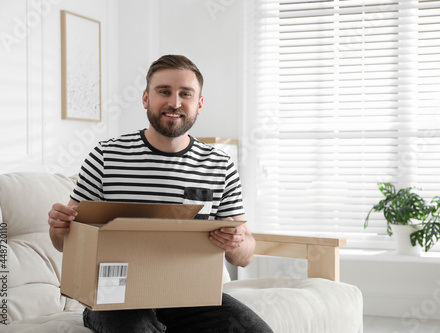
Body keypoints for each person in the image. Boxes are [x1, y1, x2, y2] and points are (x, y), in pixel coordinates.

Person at [48, 54, 274, 333]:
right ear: (145, 99)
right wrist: (60, 227)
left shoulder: (219, 164)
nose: (175, 103)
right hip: (113, 298)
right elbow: (63, 241)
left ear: (199, 104)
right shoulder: (106, 156)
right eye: (164, 91)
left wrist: (236, 242)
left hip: (191, 296)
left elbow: (245, 255)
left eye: (185, 94)